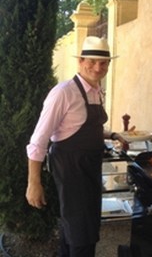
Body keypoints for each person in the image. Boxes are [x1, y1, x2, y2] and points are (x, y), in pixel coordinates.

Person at [25, 36, 123, 257]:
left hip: (89, 168)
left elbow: (83, 126)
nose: (97, 68)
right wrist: (34, 182)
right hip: (71, 171)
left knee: (78, 228)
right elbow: (38, 140)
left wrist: (113, 134)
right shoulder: (63, 92)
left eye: (103, 63)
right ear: (80, 61)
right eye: (91, 61)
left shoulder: (96, 91)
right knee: (81, 234)